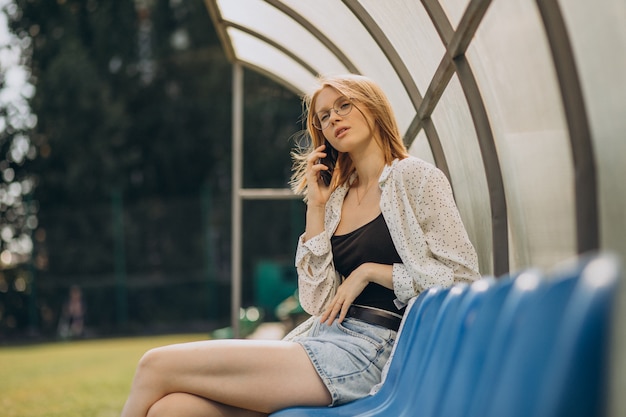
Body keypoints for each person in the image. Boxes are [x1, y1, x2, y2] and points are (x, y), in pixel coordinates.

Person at [120, 74, 480, 417]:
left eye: (344, 105)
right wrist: (317, 206)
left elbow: (463, 279)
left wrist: (370, 273)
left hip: (371, 350)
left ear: (373, 108)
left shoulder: (415, 177)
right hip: (323, 337)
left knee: (154, 365)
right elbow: (316, 302)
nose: (334, 118)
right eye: (324, 116)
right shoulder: (336, 198)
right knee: (171, 410)